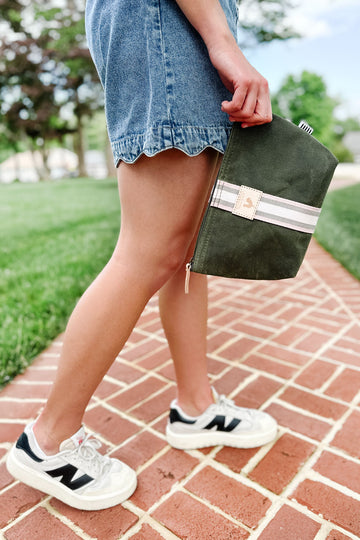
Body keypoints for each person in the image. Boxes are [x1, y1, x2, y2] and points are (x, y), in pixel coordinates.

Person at [6, 0, 277, 511]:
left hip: (173, 25)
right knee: (150, 251)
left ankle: (195, 407)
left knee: (185, 249)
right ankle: (47, 440)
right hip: (168, 24)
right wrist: (222, 41)